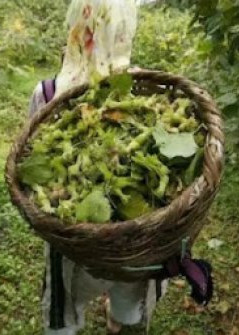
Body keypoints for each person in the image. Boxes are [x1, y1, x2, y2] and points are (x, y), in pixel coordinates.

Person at [27, 1, 169, 334]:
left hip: (87, 240)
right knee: (121, 308)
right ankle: (118, 321)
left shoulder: (47, 93)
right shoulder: (143, 89)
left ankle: (114, 320)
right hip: (121, 240)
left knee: (71, 311)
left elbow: (31, 161)